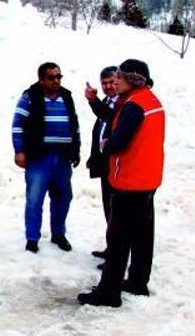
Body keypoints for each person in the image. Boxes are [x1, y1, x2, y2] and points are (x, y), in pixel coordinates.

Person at [78, 59, 165, 308]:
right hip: (148, 179)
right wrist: (94, 101)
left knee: (118, 239)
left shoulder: (134, 106)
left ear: (133, 80)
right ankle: (138, 281)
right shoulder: (147, 100)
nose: (116, 81)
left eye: (121, 77)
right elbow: (113, 116)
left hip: (131, 180)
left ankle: (109, 292)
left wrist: (106, 145)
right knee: (142, 235)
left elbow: (120, 140)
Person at [12, 62, 80, 253]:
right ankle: (32, 238)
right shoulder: (30, 97)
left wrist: (76, 149)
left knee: (63, 197)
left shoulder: (66, 96)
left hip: (63, 157)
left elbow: (74, 124)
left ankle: (59, 234)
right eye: (51, 77)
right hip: (39, 157)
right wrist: (19, 150)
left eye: (59, 77)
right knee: (34, 199)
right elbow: (18, 124)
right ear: (41, 79)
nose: (56, 81)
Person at [85, 66, 119, 268]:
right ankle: (112, 249)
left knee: (116, 212)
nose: (108, 87)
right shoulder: (108, 101)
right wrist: (94, 156)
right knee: (109, 209)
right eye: (104, 83)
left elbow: (110, 118)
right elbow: (101, 129)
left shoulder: (122, 104)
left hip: (116, 166)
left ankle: (116, 255)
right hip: (104, 163)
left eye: (112, 82)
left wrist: (92, 100)